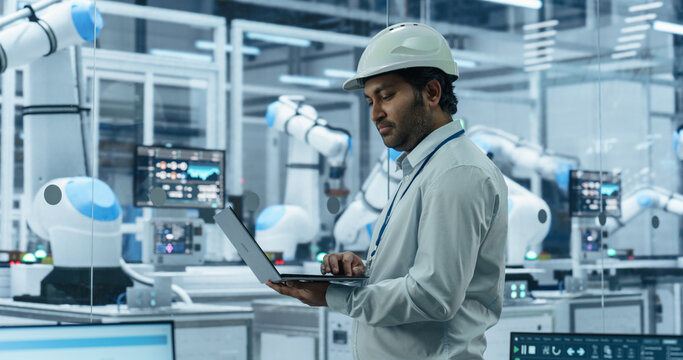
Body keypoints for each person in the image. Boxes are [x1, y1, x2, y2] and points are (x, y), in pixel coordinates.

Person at [266, 22, 508, 360]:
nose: (376, 113)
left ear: (432, 93)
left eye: (387, 95)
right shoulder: (424, 168)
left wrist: (333, 296)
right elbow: (418, 273)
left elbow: (433, 296)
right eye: (369, 101)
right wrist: (363, 272)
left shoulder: (457, 173)